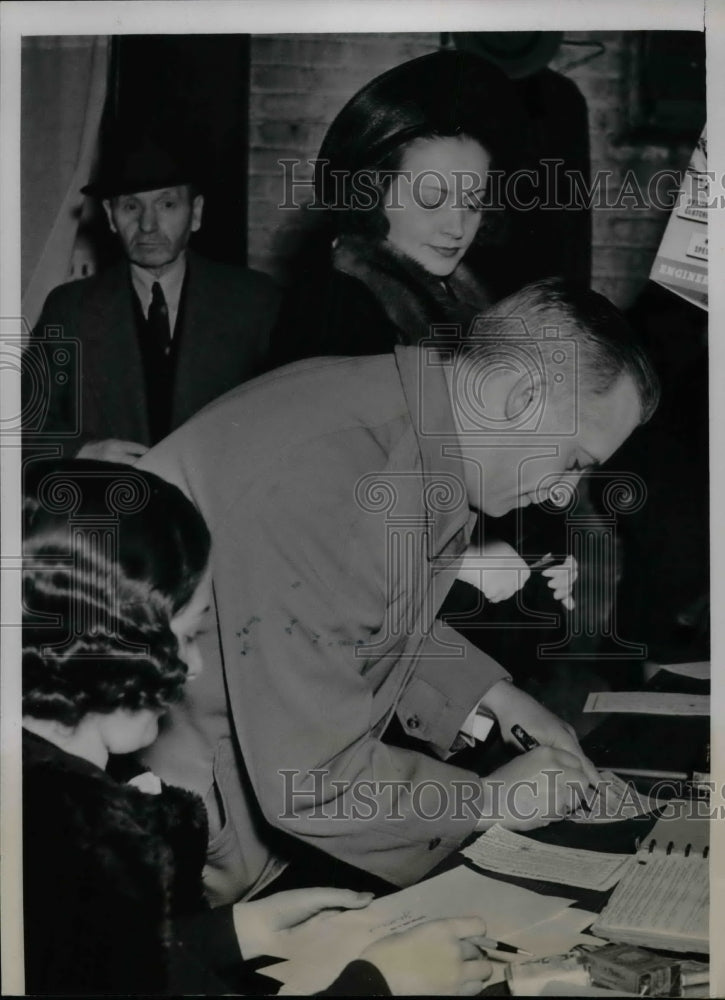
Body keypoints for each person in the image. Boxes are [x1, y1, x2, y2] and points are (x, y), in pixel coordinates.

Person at [137, 277, 660, 906]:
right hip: (163, 852)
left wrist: (491, 696)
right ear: (521, 396)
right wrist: (492, 799)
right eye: (575, 462)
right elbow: (311, 782)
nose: (561, 493)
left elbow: (346, 611)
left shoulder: (401, 420)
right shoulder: (342, 483)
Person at [21, 458, 494, 996]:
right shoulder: (77, 839)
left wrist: (239, 932)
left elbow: (85, 962)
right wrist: (380, 984)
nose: (193, 666)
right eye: (185, 636)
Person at [269, 49, 573, 629]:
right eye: (432, 199)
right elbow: (319, 510)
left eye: (472, 202)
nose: (456, 226)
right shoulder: (338, 308)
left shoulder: (463, 304)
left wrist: (541, 557)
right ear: (374, 194)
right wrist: (461, 563)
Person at [23, 134, 280, 463]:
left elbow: (292, 419)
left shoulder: (256, 301)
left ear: (196, 212)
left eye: (167, 204)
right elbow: (22, 422)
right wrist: (85, 450)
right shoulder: (70, 309)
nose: (147, 225)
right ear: (110, 216)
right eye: (131, 206)